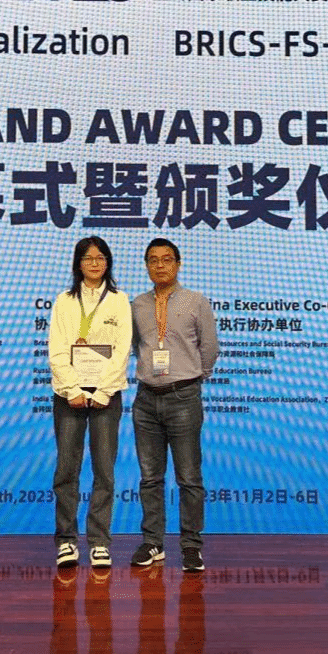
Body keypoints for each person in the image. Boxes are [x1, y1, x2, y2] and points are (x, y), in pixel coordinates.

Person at [129, 238, 219, 572]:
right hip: (145, 399)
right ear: (146, 266)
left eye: (167, 259)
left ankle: (191, 546)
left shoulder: (196, 301)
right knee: (149, 477)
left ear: (178, 264)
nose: (160, 265)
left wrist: (192, 377)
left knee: (189, 477)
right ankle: (152, 542)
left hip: (184, 397)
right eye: (153, 260)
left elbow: (209, 347)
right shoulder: (137, 305)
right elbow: (135, 346)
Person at [48, 236, 132, 569]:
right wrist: (72, 389)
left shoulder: (119, 300)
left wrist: (103, 391)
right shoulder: (64, 301)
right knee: (66, 470)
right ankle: (67, 541)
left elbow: (123, 349)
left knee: (104, 471)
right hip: (68, 395)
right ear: (78, 264)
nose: (94, 263)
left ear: (108, 262)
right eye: (87, 258)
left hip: (106, 396)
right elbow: (56, 349)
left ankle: (99, 543)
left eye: (100, 258)